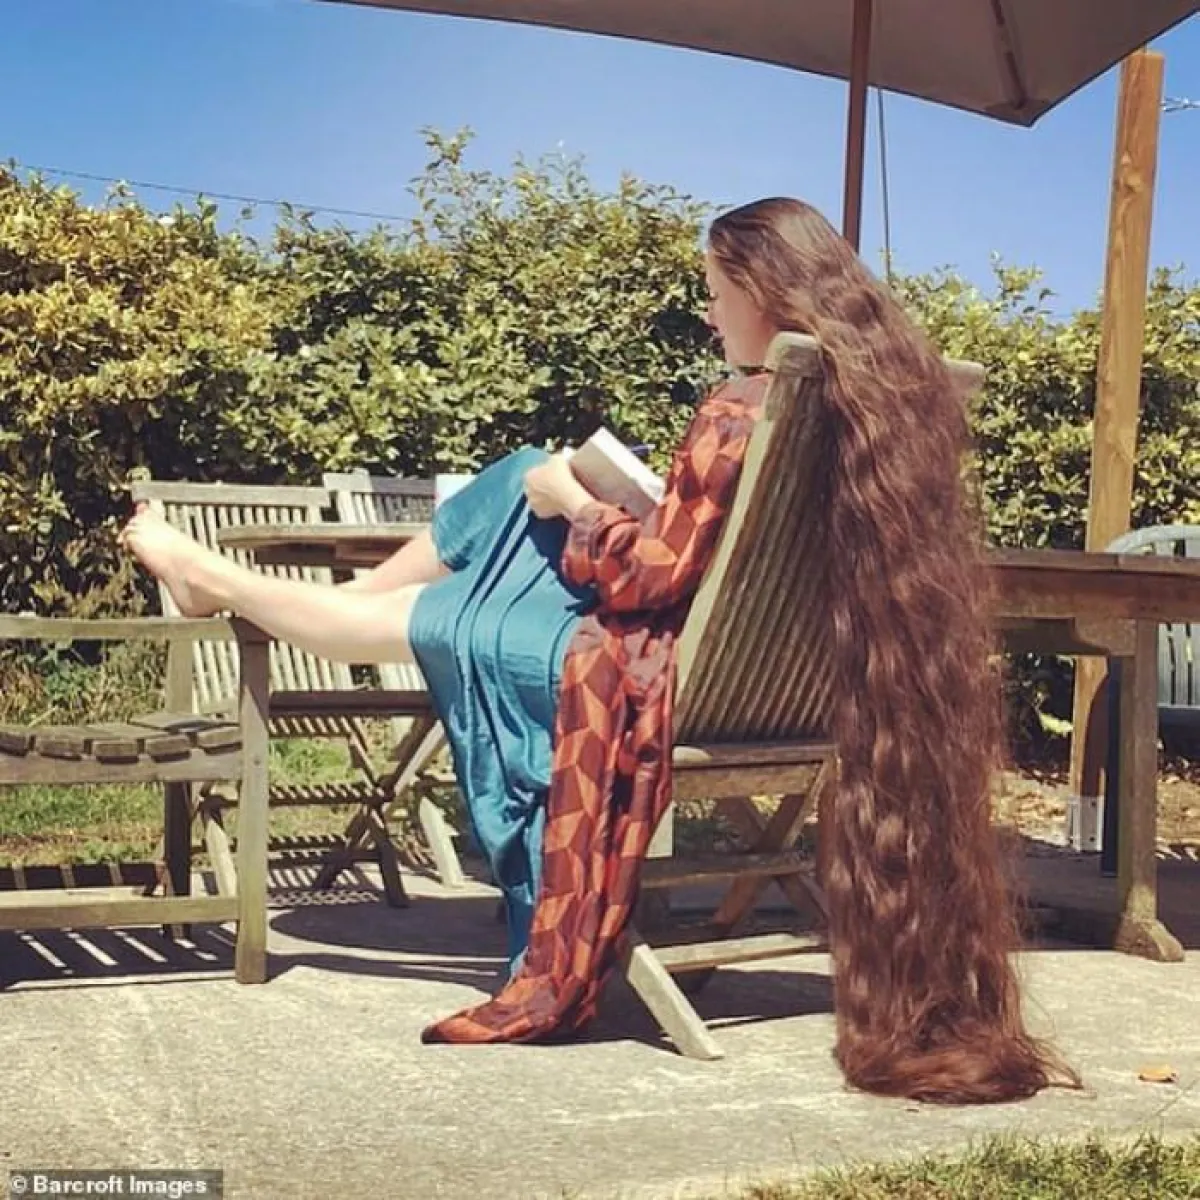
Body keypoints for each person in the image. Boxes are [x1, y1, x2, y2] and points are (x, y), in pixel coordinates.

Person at [120, 196, 1075, 1104]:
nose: (708, 313)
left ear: (766, 291)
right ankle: (276, 586)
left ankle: (216, 579)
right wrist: (596, 500)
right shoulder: (876, 410)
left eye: (716, 291)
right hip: (751, 682)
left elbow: (649, 576)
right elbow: (704, 559)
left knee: (433, 613)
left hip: (649, 676)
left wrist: (578, 502)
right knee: (510, 488)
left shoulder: (743, 407)